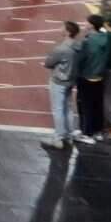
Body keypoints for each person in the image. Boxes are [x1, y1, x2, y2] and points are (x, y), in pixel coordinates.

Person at [42, 19, 82, 149]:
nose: (60, 29)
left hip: (59, 81)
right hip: (71, 81)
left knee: (58, 109)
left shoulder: (61, 49)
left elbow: (48, 63)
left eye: (62, 27)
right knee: (68, 108)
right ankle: (69, 135)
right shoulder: (79, 46)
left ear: (68, 32)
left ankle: (58, 138)